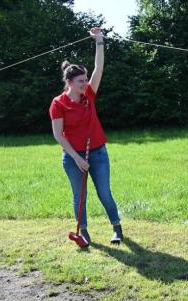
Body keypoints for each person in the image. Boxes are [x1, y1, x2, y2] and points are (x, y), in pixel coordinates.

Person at [49, 27, 123, 245]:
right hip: (73, 157)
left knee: (104, 193)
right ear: (69, 82)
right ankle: (83, 231)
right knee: (79, 196)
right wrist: (76, 158)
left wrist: (99, 41)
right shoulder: (58, 103)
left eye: (85, 80)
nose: (85, 83)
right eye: (81, 81)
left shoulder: (88, 95)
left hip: (98, 152)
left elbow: (99, 67)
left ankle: (117, 228)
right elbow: (58, 135)